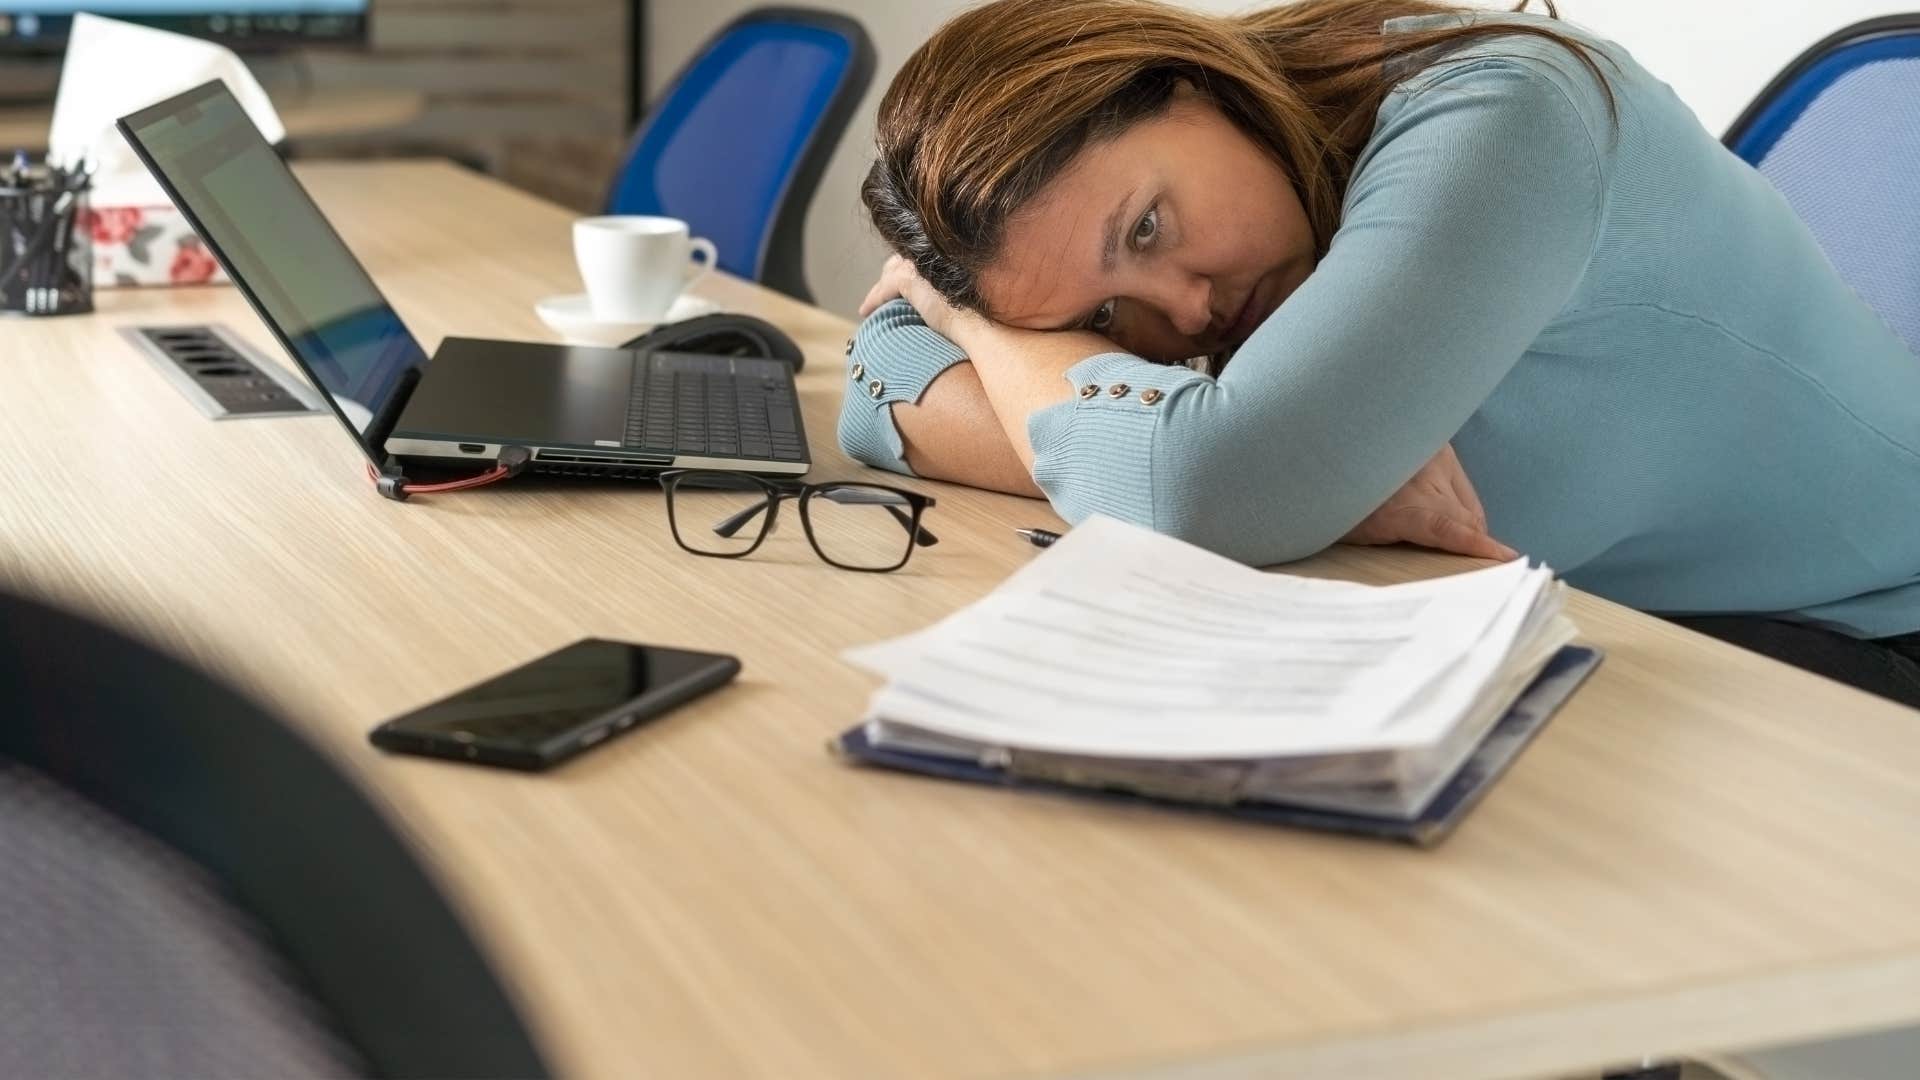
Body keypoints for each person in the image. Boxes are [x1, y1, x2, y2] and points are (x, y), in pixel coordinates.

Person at [834, 0, 1920, 705]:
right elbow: (876, 389)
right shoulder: (1257, 225)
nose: (1182, 312)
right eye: (1101, 321)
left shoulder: (1505, 111)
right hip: (1589, 636)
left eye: (1150, 228)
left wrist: (979, 332)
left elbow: (1205, 484)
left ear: (1188, 84)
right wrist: (1265, 468)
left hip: (1847, 658)